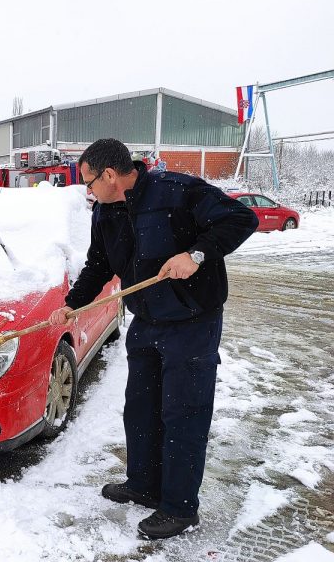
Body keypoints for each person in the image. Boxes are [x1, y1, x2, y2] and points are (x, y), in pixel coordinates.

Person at [49, 138, 258, 539]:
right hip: (145, 322)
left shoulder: (177, 191)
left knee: (183, 413)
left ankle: (179, 508)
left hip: (192, 323)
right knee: (141, 408)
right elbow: (99, 264)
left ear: (110, 175)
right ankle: (144, 485)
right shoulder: (106, 212)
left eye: (89, 182)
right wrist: (73, 302)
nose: (86, 191)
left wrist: (195, 255)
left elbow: (240, 218)